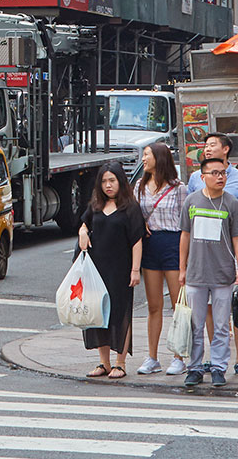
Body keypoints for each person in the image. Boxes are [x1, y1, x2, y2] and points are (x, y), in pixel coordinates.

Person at [185, 132, 238, 374]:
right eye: (205, 145)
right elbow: (186, 231)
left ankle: (231, 360)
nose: (207, 148)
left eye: (212, 145)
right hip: (198, 264)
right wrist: (182, 267)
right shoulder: (194, 186)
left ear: (226, 150)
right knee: (200, 318)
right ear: (203, 176)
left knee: (230, 312)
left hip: (228, 261)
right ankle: (196, 366)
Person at [76, 161, 146, 378]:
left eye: (112, 180)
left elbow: (137, 240)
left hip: (120, 267)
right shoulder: (96, 205)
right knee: (99, 313)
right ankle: (103, 362)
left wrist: (135, 270)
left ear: (120, 181)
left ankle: (120, 362)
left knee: (120, 313)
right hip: (97, 268)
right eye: (104, 181)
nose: (108, 185)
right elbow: (85, 223)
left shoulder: (130, 207)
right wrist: (83, 231)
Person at [133, 143, 188, 377]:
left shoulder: (179, 188)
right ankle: (152, 356)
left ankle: (179, 356)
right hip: (150, 244)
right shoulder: (140, 185)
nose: (144, 158)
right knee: (154, 305)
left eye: (147, 154)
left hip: (173, 243)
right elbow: (134, 214)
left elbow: (186, 222)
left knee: (178, 306)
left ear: (160, 158)